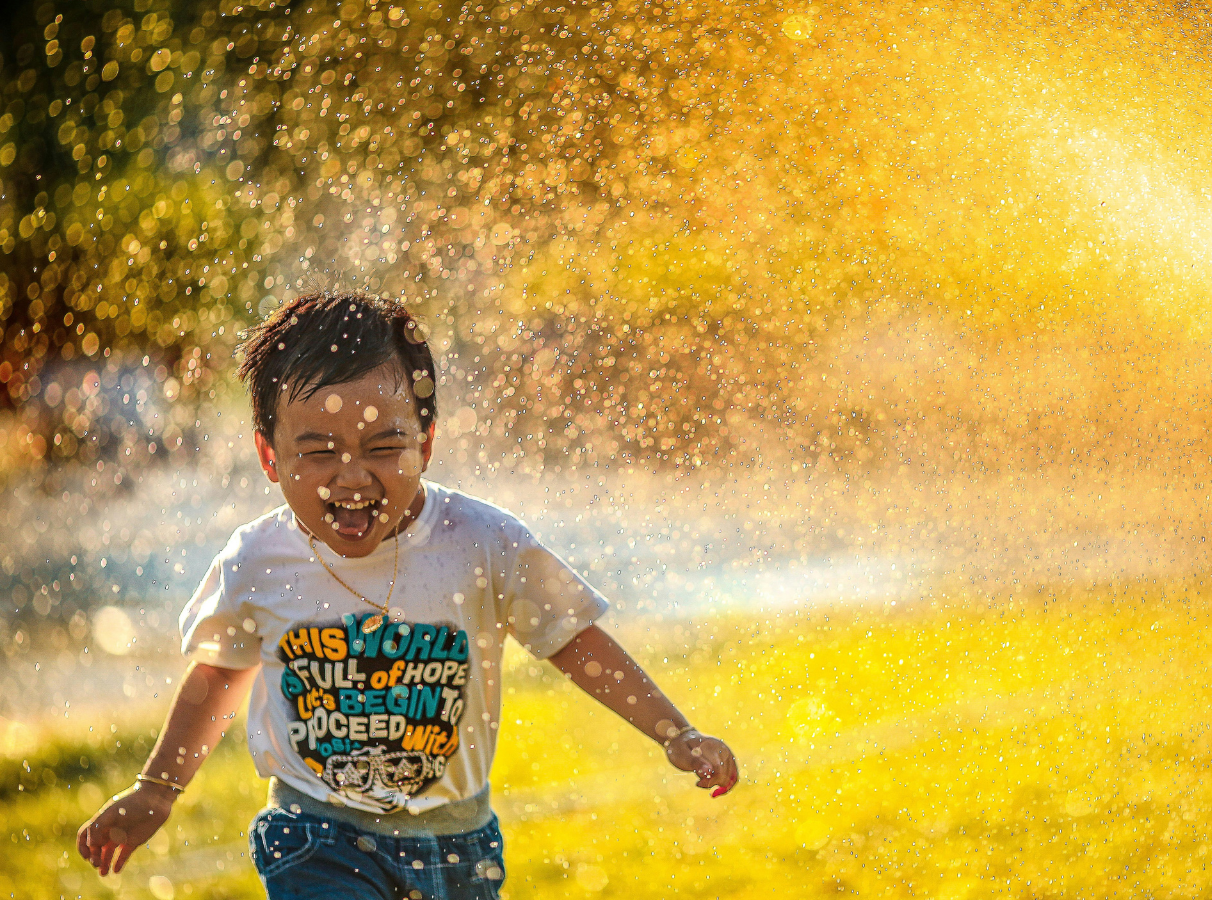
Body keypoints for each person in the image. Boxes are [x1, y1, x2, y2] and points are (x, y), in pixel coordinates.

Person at [76, 291, 739, 899]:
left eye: (383, 446)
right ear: (270, 457)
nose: (352, 476)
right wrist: (156, 789)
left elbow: (572, 639)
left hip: (458, 844)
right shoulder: (258, 560)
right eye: (319, 452)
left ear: (425, 443)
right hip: (317, 836)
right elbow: (219, 673)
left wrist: (673, 731)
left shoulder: (482, 542)